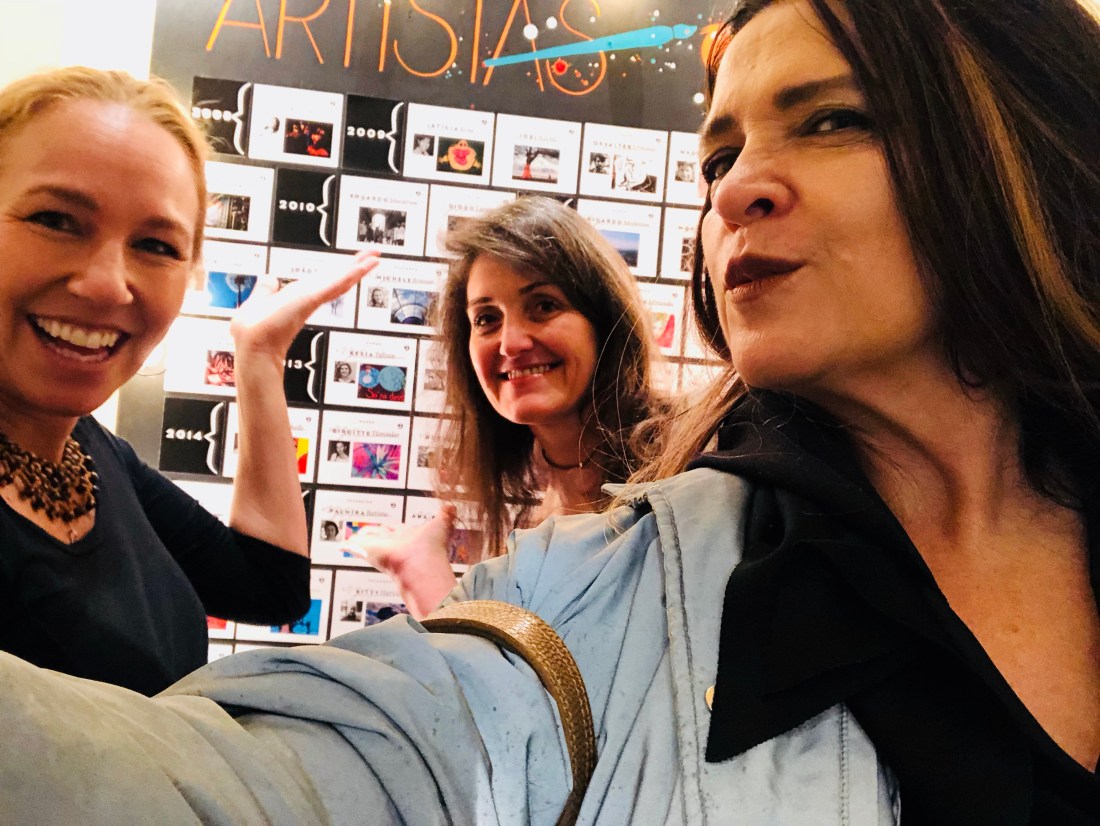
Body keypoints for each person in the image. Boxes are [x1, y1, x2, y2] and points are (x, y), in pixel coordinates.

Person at [0, 1, 1096, 821]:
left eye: (833, 121)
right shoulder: (606, 575)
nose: (732, 188)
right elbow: (279, 768)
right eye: (719, 155)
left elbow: (261, 585)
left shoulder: (650, 478)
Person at [0, 67, 377, 695]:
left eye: (156, 245)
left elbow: (268, 585)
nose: (106, 284)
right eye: (57, 220)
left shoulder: (91, 455)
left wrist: (260, 358)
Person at [343, 195, 665, 616]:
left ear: (604, 320)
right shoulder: (545, 506)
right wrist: (416, 570)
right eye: (486, 319)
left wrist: (420, 571)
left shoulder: (683, 469)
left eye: (544, 306)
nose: (511, 343)